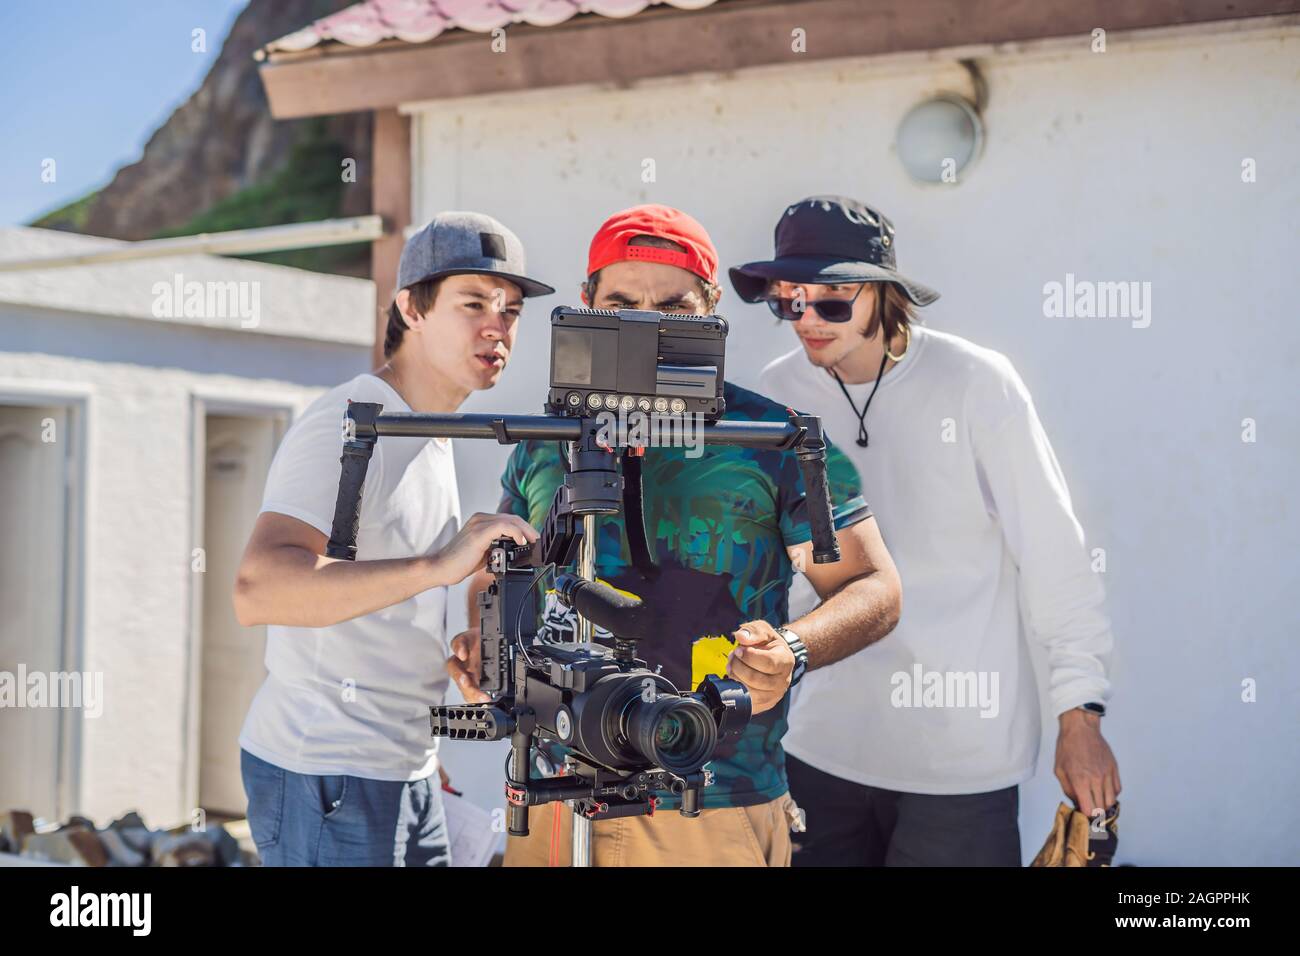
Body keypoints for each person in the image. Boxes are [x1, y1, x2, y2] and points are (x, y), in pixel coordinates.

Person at [449, 204, 902, 866]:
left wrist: (792, 651)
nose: (647, 322)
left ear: (712, 305)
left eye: (674, 304)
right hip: (551, 794)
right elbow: (502, 567)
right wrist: (487, 647)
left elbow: (873, 584)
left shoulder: (772, 439)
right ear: (587, 303)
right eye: (623, 301)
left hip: (713, 803)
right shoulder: (546, 440)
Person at [730, 195, 1120, 866]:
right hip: (818, 751)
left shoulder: (978, 384)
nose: (806, 321)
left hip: (962, 768)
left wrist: (1079, 712)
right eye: (788, 301)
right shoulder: (775, 397)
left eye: (831, 300)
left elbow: (1056, 558)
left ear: (885, 295)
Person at [231, 212, 553, 866]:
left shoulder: (430, 431)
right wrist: (439, 565)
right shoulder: (347, 426)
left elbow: (385, 594)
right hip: (326, 773)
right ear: (410, 307)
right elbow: (257, 588)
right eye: (473, 303)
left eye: (511, 310)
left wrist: (457, 643)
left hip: (409, 770)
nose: (498, 326)